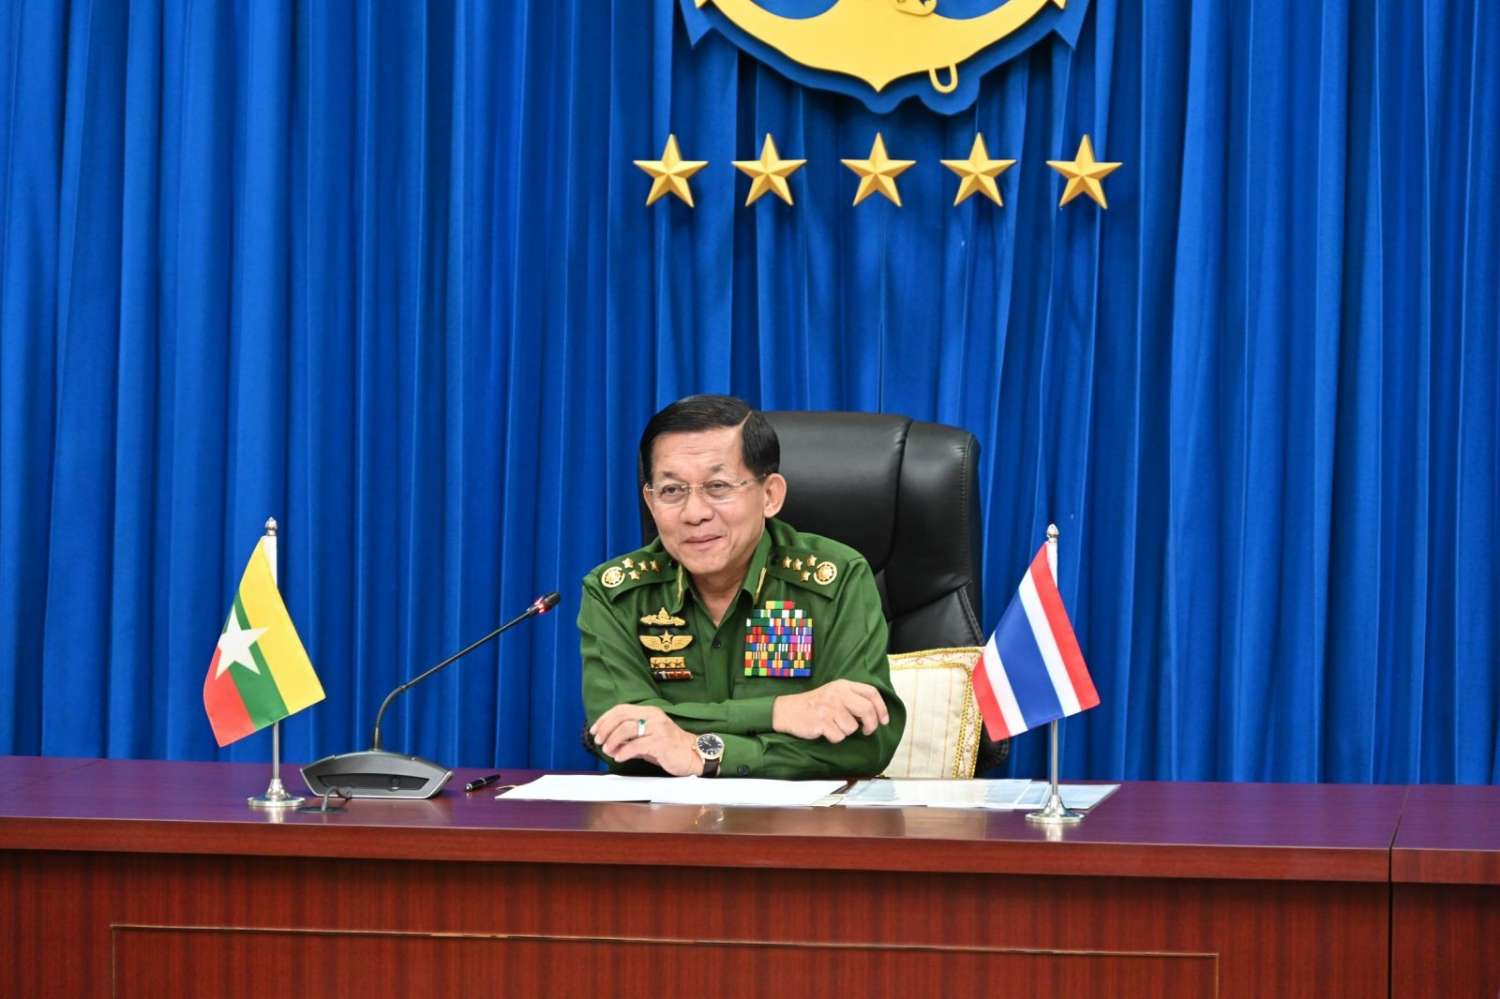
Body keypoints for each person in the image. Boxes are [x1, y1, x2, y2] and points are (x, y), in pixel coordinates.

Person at [579, 395, 905, 779]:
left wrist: (705, 754)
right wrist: (779, 712)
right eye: (672, 490)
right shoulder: (616, 593)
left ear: (770, 496)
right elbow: (620, 735)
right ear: (651, 503)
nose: (695, 513)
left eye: (718, 486)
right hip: (663, 815)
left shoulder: (836, 578)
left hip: (799, 815)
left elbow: (867, 741)